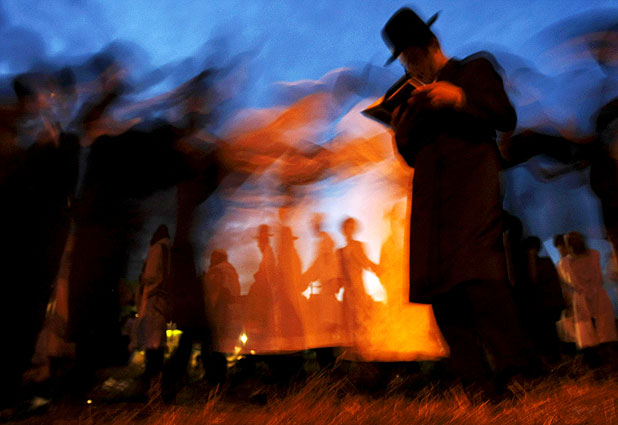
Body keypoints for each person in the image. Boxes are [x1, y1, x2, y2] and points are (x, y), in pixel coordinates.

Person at [381, 6, 535, 397]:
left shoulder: (474, 70)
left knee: (480, 275)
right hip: (430, 197)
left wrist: (460, 98)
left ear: (431, 44)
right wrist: (399, 131)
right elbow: (413, 155)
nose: (410, 67)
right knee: (438, 285)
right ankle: (476, 383)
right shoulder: (412, 95)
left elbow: (505, 116)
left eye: (413, 57)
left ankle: (516, 371)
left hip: (471, 185)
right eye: (404, 61)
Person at [556, 232, 617, 363]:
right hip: (587, 297)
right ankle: (600, 359)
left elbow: (571, 280)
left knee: (602, 327)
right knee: (590, 328)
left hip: (593, 295)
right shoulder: (567, 262)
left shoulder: (591, 256)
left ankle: (606, 358)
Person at [134, 225, 172, 398]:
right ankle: (156, 378)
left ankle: (152, 378)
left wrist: (143, 280)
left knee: (152, 340)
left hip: (153, 299)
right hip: (162, 300)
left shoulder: (157, 249)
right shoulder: (169, 250)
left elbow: (151, 276)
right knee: (157, 339)